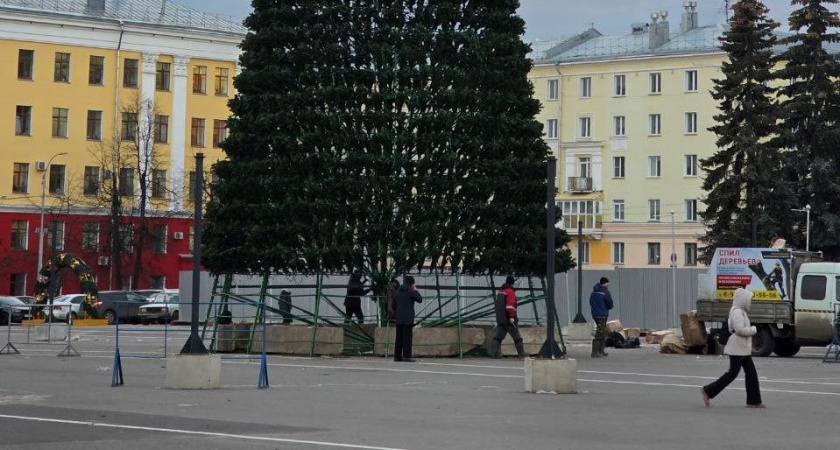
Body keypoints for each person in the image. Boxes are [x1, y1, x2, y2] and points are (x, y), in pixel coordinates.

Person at [701, 288, 765, 408]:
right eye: (749, 300)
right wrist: (755, 330)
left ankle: (754, 401)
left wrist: (754, 329)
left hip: (742, 348)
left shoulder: (741, 311)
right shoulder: (737, 312)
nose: (750, 302)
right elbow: (739, 330)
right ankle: (708, 390)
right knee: (733, 373)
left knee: (751, 373)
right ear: (743, 300)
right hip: (737, 347)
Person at [488, 275, 527, 359]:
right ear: (512, 283)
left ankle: (494, 353)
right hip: (508, 319)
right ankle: (521, 353)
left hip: (500, 319)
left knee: (498, 337)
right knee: (517, 337)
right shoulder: (510, 292)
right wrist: (512, 317)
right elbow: (510, 306)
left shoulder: (501, 292)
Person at [393, 275, 422, 362]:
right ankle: (406, 355)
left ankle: (397, 356)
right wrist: (415, 290)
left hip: (398, 318)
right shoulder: (411, 291)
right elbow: (419, 299)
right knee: (407, 338)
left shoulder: (397, 292)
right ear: (412, 283)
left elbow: (393, 305)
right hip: (408, 318)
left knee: (399, 338)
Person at [589, 277, 614, 358]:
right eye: (608, 283)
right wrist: (606, 308)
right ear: (605, 283)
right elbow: (610, 303)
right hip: (602, 314)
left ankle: (601, 351)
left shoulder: (594, 291)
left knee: (601, 331)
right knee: (600, 332)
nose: (609, 285)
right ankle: (596, 352)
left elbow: (591, 302)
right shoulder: (605, 292)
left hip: (595, 314)